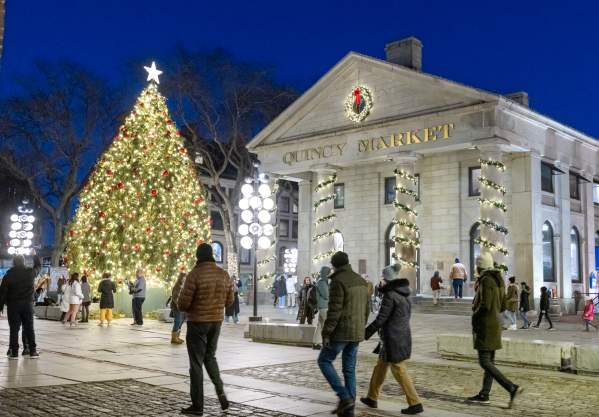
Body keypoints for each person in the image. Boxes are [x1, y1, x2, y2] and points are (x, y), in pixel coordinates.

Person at [174, 243, 234, 416]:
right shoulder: (223, 274)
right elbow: (229, 301)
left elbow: (183, 304)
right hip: (216, 321)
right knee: (210, 357)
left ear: (198, 256)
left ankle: (197, 406)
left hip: (198, 323)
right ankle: (220, 392)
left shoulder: (194, 275)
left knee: (196, 364)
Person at [360, 266, 424, 415]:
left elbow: (381, 318)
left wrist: (365, 333)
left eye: (383, 278)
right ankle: (372, 397)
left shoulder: (390, 294)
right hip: (400, 334)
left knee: (399, 369)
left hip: (392, 338)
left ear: (386, 279)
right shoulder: (405, 293)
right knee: (380, 366)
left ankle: (415, 402)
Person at [467, 252, 522, 408]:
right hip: (495, 324)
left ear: (480, 266)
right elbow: (503, 306)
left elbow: (485, 305)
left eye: (477, 265)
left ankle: (511, 387)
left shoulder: (487, 280)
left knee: (485, 361)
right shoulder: (499, 280)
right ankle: (485, 394)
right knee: (489, 361)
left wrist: (475, 316)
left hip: (486, 326)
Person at [318, 251, 369, 417]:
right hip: (356, 332)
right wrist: (361, 326)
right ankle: (349, 408)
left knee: (324, 360)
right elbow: (367, 309)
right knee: (349, 370)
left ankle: (344, 397)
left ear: (334, 265)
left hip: (341, 332)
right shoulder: (361, 281)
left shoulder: (337, 281)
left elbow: (334, 311)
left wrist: (326, 333)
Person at [0, 254, 41, 359]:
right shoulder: (30, 272)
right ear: (24, 262)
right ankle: (33, 351)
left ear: (13, 262)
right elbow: (38, 267)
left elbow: (2, 292)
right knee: (29, 328)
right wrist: (35, 255)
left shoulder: (8, 275)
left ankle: (14, 352)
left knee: (14, 329)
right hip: (27, 304)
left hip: (13, 306)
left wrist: (0, 306)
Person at [312, 266, 330, 350]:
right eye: (328, 272)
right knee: (327, 325)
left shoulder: (322, 281)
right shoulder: (322, 282)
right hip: (324, 306)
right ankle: (326, 343)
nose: (330, 274)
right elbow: (326, 295)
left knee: (320, 325)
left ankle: (316, 343)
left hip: (323, 306)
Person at [170, 272, 187, 343]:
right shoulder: (177, 286)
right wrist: (179, 305)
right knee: (177, 321)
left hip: (183, 306)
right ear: (180, 278)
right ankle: (174, 338)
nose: (185, 279)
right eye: (184, 278)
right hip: (177, 307)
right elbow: (175, 297)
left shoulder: (185, 286)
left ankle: (177, 336)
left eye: (185, 278)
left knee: (181, 321)